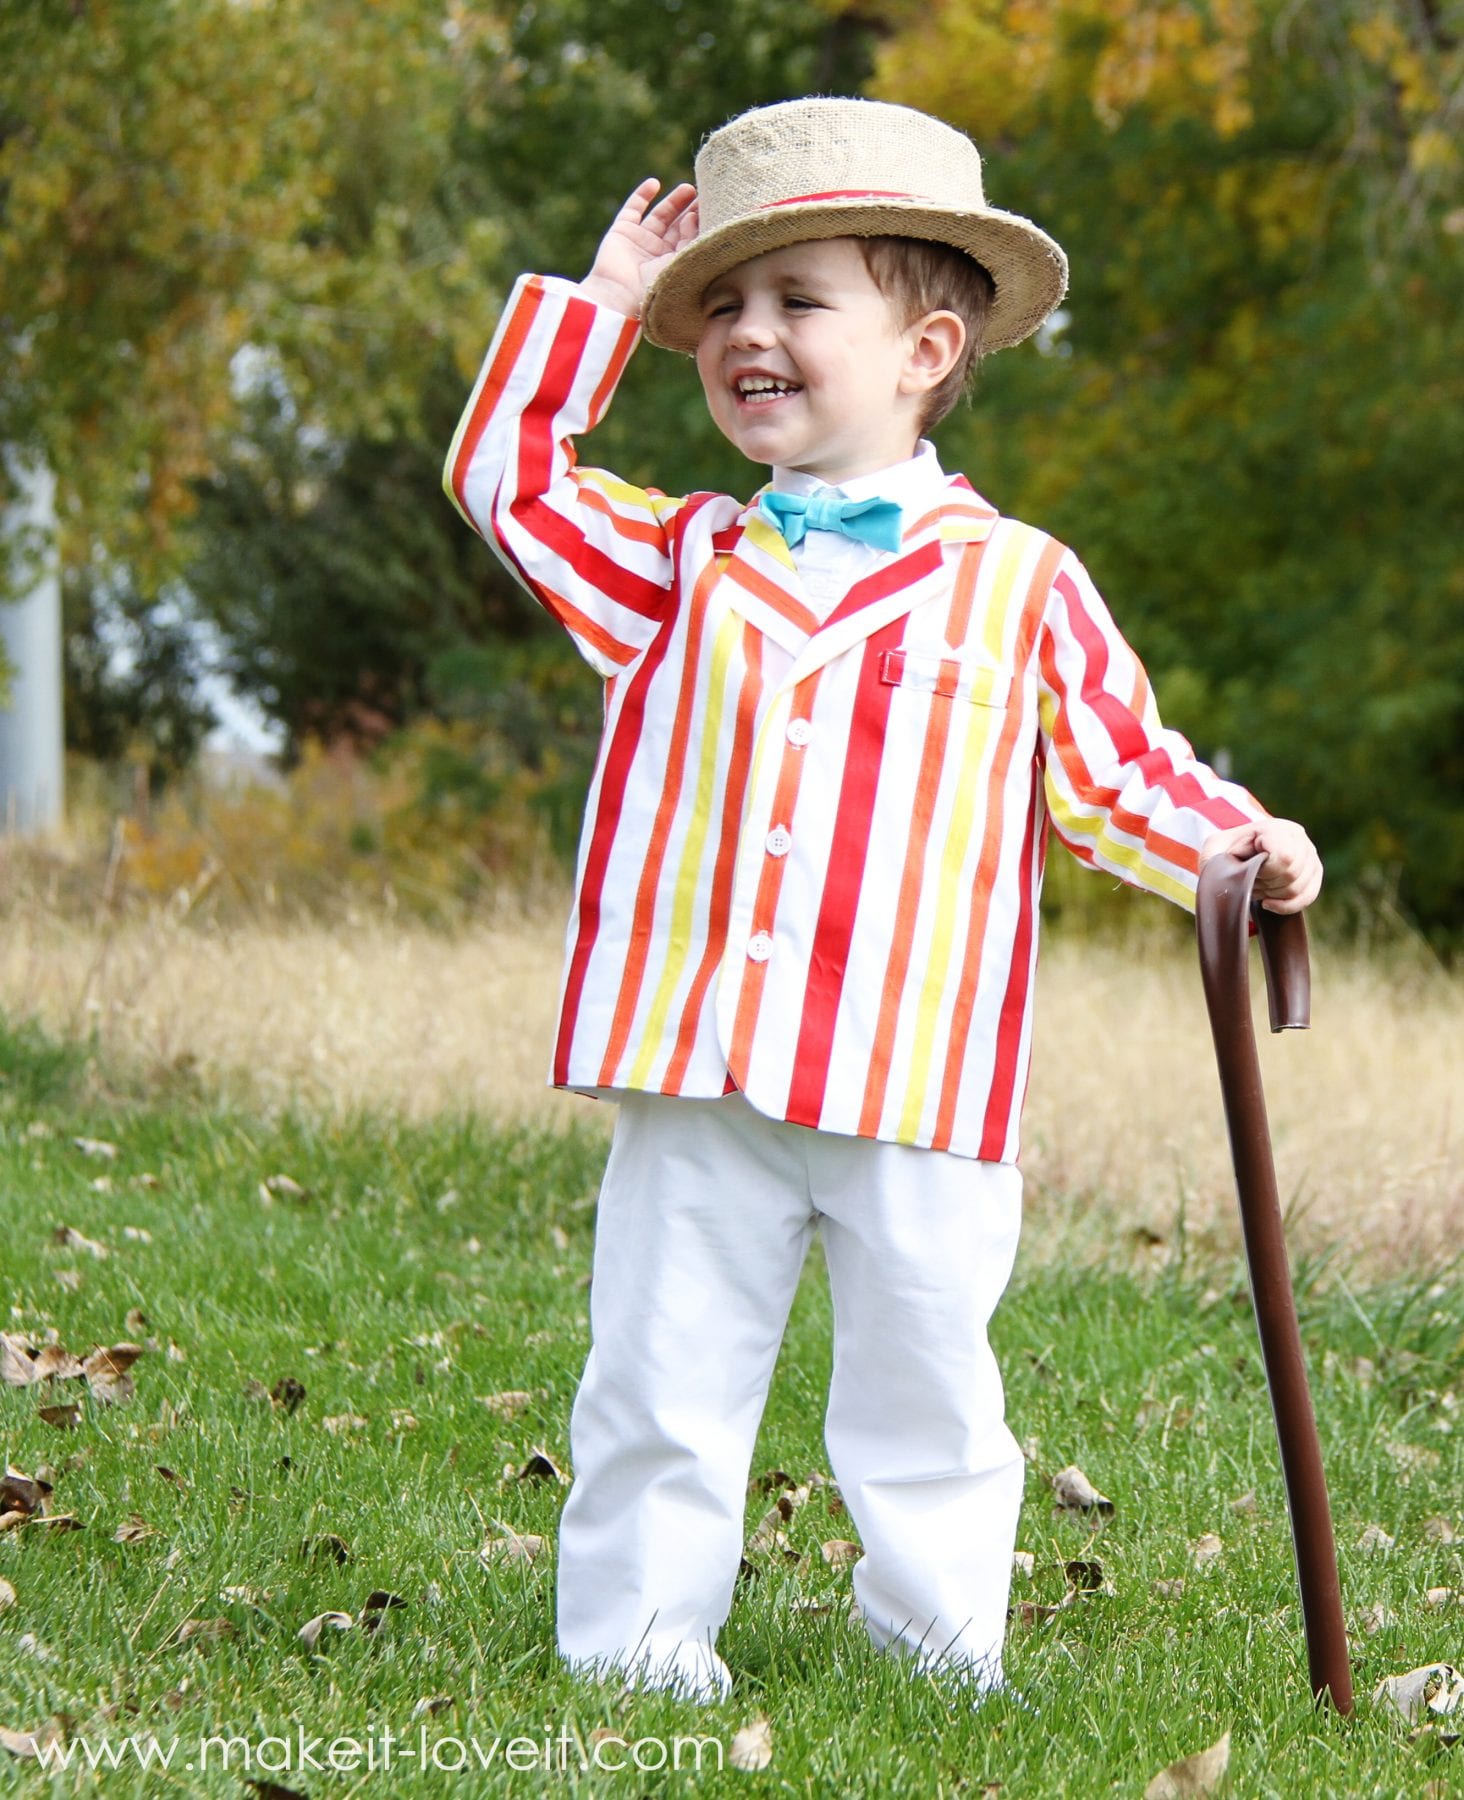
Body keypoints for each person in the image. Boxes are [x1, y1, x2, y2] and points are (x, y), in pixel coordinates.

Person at [443, 95, 1322, 1703]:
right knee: (661, 1372)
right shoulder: (678, 563)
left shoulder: (1022, 583)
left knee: (926, 1386)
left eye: (798, 299)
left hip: (917, 1074)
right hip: (695, 1064)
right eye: (720, 307)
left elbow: (1121, 772)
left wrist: (1246, 841)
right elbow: (505, 476)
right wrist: (598, 307)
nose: (744, 332)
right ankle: (638, 1651)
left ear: (925, 347)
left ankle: (934, 1650)